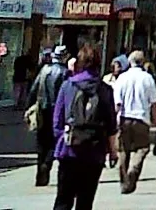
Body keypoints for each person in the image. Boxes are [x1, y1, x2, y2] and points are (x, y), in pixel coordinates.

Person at [51, 40, 120, 210]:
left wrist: (63, 139)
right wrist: (113, 152)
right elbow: (112, 125)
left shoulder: (68, 86)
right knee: (85, 202)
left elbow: (57, 122)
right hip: (94, 152)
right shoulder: (105, 90)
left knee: (63, 200)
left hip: (69, 150)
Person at [113, 49, 156, 193]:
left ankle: (123, 181)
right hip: (141, 118)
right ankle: (134, 169)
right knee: (143, 148)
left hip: (125, 117)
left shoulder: (122, 78)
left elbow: (117, 103)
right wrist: (155, 120)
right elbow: (153, 102)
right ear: (143, 62)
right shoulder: (148, 78)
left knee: (123, 150)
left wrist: (115, 121)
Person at [30, 44, 70, 187]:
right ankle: (46, 165)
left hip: (42, 109)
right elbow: (67, 94)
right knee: (54, 142)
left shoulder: (44, 70)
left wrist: (31, 106)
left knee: (41, 142)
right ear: (64, 57)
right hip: (56, 111)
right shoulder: (65, 72)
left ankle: (39, 173)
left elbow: (33, 89)